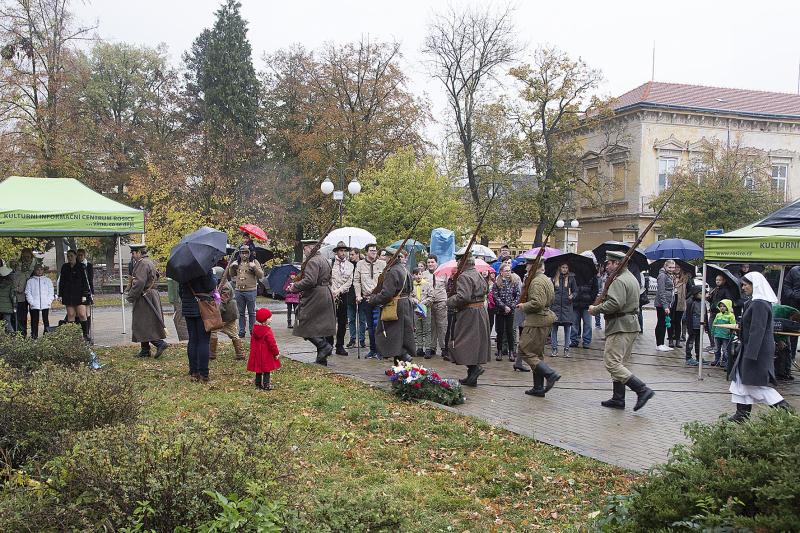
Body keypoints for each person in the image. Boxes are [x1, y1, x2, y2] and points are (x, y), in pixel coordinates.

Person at [590, 251, 654, 411]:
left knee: (612, 362)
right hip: (630, 325)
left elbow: (615, 304)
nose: (607, 266)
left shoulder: (619, 281)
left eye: (610, 263)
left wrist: (596, 309)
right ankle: (618, 398)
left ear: (618, 263)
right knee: (620, 363)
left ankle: (641, 389)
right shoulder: (631, 277)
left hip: (620, 325)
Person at [727, 271, 793, 422]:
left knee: (756, 386)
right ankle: (741, 414)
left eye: (745, 285)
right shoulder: (756, 302)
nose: (743, 288)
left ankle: (787, 411)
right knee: (739, 381)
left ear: (754, 285)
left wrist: (751, 354)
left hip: (756, 351)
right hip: (750, 348)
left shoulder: (759, 304)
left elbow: (758, 330)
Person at [446, 249, 491, 386]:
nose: (457, 263)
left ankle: (474, 369)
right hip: (479, 311)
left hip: (468, 313)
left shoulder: (464, 276)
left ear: (462, 261)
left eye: (458, 261)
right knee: (473, 344)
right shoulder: (477, 274)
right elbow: (486, 290)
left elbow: (463, 297)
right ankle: (472, 376)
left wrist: (449, 301)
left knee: (460, 343)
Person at [516, 257, 560, 395]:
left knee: (524, 350)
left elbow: (538, 303)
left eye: (527, 265)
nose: (525, 268)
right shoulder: (546, 279)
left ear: (532, 266)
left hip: (537, 321)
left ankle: (549, 373)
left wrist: (524, 306)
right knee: (537, 354)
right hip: (544, 319)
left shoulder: (536, 282)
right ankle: (538, 387)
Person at [288, 240, 336, 366]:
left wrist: (295, 286)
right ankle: (321, 359)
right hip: (325, 293)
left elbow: (310, 281)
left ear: (309, 248)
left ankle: (323, 346)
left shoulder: (313, 261)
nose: (304, 253)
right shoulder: (325, 260)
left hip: (315, 295)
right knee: (321, 327)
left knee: (303, 323)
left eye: (304, 250)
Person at [370, 248, 415, 365]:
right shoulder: (405, 270)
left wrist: (373, 299)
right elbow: (411, 289)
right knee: (401, 337)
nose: (384, 259)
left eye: (386, 256)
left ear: (390, 257)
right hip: (405, 305)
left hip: (394, 307)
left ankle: (403, 356)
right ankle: (398, 367)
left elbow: (387, 294)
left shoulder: (392, 272)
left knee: (390, 336)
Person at [127, 244, 169, 358]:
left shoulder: (143, 264)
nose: (132, 255)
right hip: (148, 295)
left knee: (146, 323)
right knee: (142, 322)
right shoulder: (147, 262)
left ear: (139, 252)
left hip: (145, 296)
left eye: (133, 253)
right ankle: (145, 350)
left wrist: (130, 297)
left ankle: (159, 343)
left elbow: (139, 283)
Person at [180, 267, 217, 382]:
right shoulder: (204, 268)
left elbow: (180, 292)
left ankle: (194, 373)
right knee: (204, 341)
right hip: (203, 307)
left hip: (188, 308)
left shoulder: (182, 269)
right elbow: (210, 285)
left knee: (193, 340)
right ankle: (204, 375)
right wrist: (214, 275)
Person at [353, 243, 386, 359]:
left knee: (378, 326)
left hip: (378, 299)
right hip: (366, 299)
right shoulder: (360, 264)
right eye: (371, 250)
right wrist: (358, 295)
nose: (374, 252)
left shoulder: (382, 264)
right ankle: (372, 349)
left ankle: (380, 350)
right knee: (370, 326)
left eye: (375, 250)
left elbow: (385, 281)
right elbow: (356, 281)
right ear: (366, 252)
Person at [210, 266, 244, 361]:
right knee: (233, 333)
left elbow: (222, 303)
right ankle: (240, 354)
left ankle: (212, 354)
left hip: (227, 314)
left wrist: (215, 315)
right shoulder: (220, 285)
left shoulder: (225, 287)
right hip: (228, 313)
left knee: (213, 331)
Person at [229, 246, 264, 338]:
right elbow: (232, 275)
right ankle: (241, 331)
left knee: (251, 312)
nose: (244, 255)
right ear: (239, 254)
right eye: (242, 253)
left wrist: (254, 267)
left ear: (249, 253)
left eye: (246, 253)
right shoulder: (237, 263)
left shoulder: (254, 262)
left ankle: (252, 331)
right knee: (240, 312)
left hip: (251, 290)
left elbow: (261, 275)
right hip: (239, 291)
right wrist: (232, 267)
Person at [59, 249, 91, 342]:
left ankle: (85, 334)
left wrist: (84, 294)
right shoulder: (65, 267)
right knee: (71, 314)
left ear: (75, 256)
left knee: (82, 314)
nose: (70, 258)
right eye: (68, 256)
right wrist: (60, 294)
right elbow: (62, 282)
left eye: (71, 256)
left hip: (79, 294)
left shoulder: (81, 267)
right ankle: (73, 336)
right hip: (68, 294)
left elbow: (85, 281)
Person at [329, 241, 354, 356]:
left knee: (343, 322)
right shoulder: (330, 263)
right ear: (337, 252)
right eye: (341, 251)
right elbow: (327, 278)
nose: (343, 253)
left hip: (343, 294)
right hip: (331, 294)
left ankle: (340, 345)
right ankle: (328, 345)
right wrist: (333, 291)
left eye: (345, 251)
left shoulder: (350, 265)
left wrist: (339, 290)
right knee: (330, 321)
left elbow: (349, 281)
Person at [422, 254, 448, 359]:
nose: (430, 264)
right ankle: (432, 347)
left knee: (442, 326)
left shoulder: (443, 274)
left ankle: (443, 348)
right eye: (428, 262)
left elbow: (446, 286)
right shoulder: (424, 274)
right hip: (429, 303)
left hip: (440, 302)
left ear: (437, 263)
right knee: (430, 326)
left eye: (432, 262)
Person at [492, 264, 521, 361]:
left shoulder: (513, 282)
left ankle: (511, 351)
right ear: (501, 272)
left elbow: (517, 295)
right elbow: (495, 296)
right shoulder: (497, 283)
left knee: (510, 331)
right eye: (506, 271)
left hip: (510, 310)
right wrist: (503, 306)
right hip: (500, 310)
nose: (508, 273)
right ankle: (499, 351)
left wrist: (511, 306)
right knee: (500, 331)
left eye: (509, 271)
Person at [248, 307, 280, 391]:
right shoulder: (267, 331)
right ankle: (266, 384)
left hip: (257, 353)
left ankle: (257, 383)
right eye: (269, 318)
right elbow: (272, 344)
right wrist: (276, 353)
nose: (271, 319)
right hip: (265, 354)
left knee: (258, 369)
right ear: (265, 320)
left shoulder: (255, 330)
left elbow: (252, 341)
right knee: (266, 369)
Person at [550, 261, 578, 358]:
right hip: (556, 306)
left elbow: (576, 291)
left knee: (567, 328)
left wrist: (573, 295)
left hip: (567, 306)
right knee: (554, 328)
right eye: (563, 267)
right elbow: (551, 291)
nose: (565, 269)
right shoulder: (554, 279)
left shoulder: (571, 279)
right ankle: (554, 347)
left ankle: (566, 348)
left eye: (566, 268)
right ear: (559, 268)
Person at [571, 254, 598, 349]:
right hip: (576, 302)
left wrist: (591, 299)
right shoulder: (574, 274)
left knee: (587, 324)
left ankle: (586, 341)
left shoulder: (592, 274)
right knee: (574, 323)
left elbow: (595, 288)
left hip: (587, 303)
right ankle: (574, 340)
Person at [25, 264, 54, 340]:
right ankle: (34, 336)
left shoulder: (47, 280)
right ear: (35, 271)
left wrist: (49, 301)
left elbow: (51, 292)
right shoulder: (30, 281)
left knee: (46, 319)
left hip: (45, 303)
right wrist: (31, 302)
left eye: (41, 269)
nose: (39, 271)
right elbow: (28, 292)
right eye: (37, 270)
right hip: (34, 303)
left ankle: (47, 335)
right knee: (34, 320)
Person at [346, 247, 366, 348]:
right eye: (350, 255)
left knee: (362, 319)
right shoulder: (348, 265)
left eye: (352, 254)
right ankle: (352, 338)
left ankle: (362, 339)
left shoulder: (363, 264)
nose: (351, 256)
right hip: (350, 296)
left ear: (358, 254)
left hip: (361, 295)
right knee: (351, 319)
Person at [410, 267, 432, 357]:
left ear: (422, 274)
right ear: (413, 275)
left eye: (420, 274)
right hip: (416, 309)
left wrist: (424, 302)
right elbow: (409, 296)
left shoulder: (427, 285)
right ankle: (419, 347)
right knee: (418, 329)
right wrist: (415, 301)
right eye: (416, 274)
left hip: (426, 309)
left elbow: (431, 297)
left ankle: (428, 348)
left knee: (427, 329)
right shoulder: (412, 285)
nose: (418, 276)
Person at [13, 248, 36, 335]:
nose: (26, 259)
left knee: (34, 314)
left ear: (31, 256)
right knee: (22, 314)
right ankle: (22, 333)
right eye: (24, 257)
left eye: (28, 257)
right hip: (21, 293)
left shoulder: (35, 264)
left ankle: (34, 333)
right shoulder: (18, 265)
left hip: (32, 292)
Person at [654, 259, 675, 351]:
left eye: (673, 267)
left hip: (667, 302)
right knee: (661, 323)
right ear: (665, 266)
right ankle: (659, 344)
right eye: (669, 267)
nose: (671, 269)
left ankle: (662, 343)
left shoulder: (669, 275)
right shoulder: (662, 276)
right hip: (662, 303)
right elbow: (661, 292)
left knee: (665, 323)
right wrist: (665, 306)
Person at [684, 285, 705, 366]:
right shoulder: (691, 302)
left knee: (699, 342)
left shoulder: (702, 302)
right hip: (693, 326)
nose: (702, 295)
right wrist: (689, 327)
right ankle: (688, 357)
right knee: (691, 341)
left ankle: (699, 357)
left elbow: (704, 314)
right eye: (700, 293)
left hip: (700, 326)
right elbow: (688, 315)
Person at [710, 299, 735, 367]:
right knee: (716, 348)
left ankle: (725, 360)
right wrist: (712, 333)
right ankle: (717, 359)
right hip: (718, 334)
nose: (722, 307)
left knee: (725, 349)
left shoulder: (731, 316)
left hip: (725, 335)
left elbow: (733, 326)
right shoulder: (718, 315)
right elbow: (714, 324)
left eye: (724, 306)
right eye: (721, 306)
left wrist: (732, 335)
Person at [76, 249, 94, 341]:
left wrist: (91, 291)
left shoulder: (88, 265)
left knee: (87, 312)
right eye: (78, 255)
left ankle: (87, 331)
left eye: (81, 255)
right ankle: (82, 331)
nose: (79, 257)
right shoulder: (76, 265)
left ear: (84, 255)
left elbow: (90, 279)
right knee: (79, 313)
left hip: (87, 291)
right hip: (79, 292)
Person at [670, 266, 689, 349]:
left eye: (678, 267)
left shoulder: (685, 278)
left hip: (680, 301)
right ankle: (670, 338)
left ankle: (678, 339)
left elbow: (691, 290)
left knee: (678, 321)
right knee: (670, 320)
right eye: (675, 267)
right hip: (671, 300)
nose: (676, 269)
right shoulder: (670, 277)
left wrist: (684, 297)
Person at [0, 266, 15, 333]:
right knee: (8, 323)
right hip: (7, 307)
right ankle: (13, 338)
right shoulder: (10, 284)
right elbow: (12, 296)